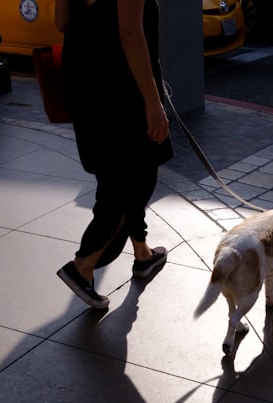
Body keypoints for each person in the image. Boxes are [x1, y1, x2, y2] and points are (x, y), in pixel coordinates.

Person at [54, 0, 173, 309]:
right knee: (133, 179)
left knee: (115, 171)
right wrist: (152, 100)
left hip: (84, 76)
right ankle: (83, 266)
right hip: (121, 81)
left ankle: (143, 254)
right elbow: (130, 32)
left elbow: (61, 20)